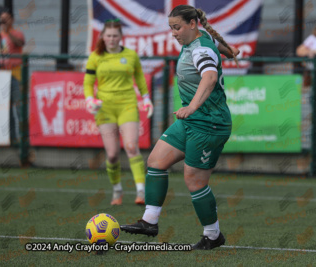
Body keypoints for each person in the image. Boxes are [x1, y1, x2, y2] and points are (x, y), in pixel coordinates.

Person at [120, 5, 239, 250]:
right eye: (171, 28)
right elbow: (220, 48)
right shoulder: (202, 40)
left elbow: (210, 78)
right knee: (155, 161)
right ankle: (149, 222)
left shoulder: (201, 48)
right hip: (191, 122)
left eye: (177, 27)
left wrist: (193, 106)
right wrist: (230, 50)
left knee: (194, 180)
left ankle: (213, 235)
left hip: (209, 123)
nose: (173, 33)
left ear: (193, 24)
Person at [83, 19, 154, 206]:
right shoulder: (95, 56)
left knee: (131, 147)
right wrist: (89, 99)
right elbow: (88, 83)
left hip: (128, 104)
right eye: (109, 35)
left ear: (121, 37)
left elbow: (139, 77)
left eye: (115, 35)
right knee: (113, 154)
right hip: (105, 107)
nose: (112, 39)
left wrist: (146, 98)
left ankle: (141, 191)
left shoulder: (131, 55)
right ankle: (117, 190)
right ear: (103, 37)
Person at [0, 10, 25, 144]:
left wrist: (7, 31)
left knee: (19, 108)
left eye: (6, 19)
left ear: (12, 20)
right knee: (6, 111)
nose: (3, 22)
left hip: (14, 74)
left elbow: (20, 43)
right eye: (1, 19)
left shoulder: (16, 33)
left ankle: (23, 140)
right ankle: (12, 139)